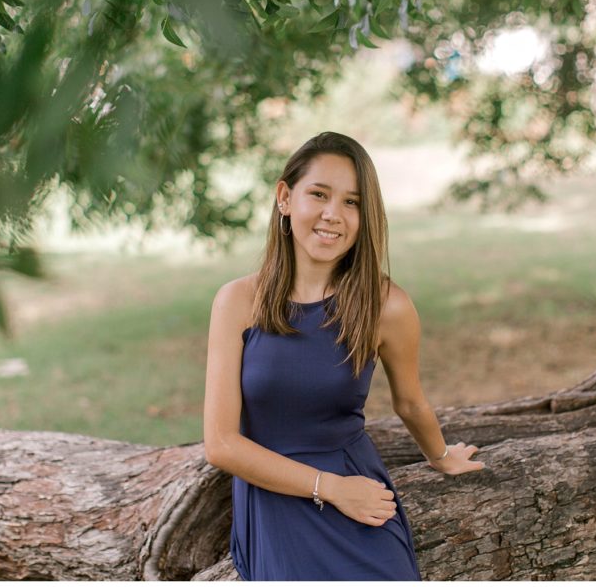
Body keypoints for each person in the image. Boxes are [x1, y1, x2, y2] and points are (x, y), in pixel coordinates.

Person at [203, 131, 485, 581]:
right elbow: (220, 444)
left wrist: (441, 455)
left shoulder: (386, 305)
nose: (333, 215)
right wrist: (330, 489)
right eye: (319, 194)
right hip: (278, 501)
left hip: (361, 501)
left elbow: (410, 401)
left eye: (352, 202)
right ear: (284, 197)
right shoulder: (238, 301)